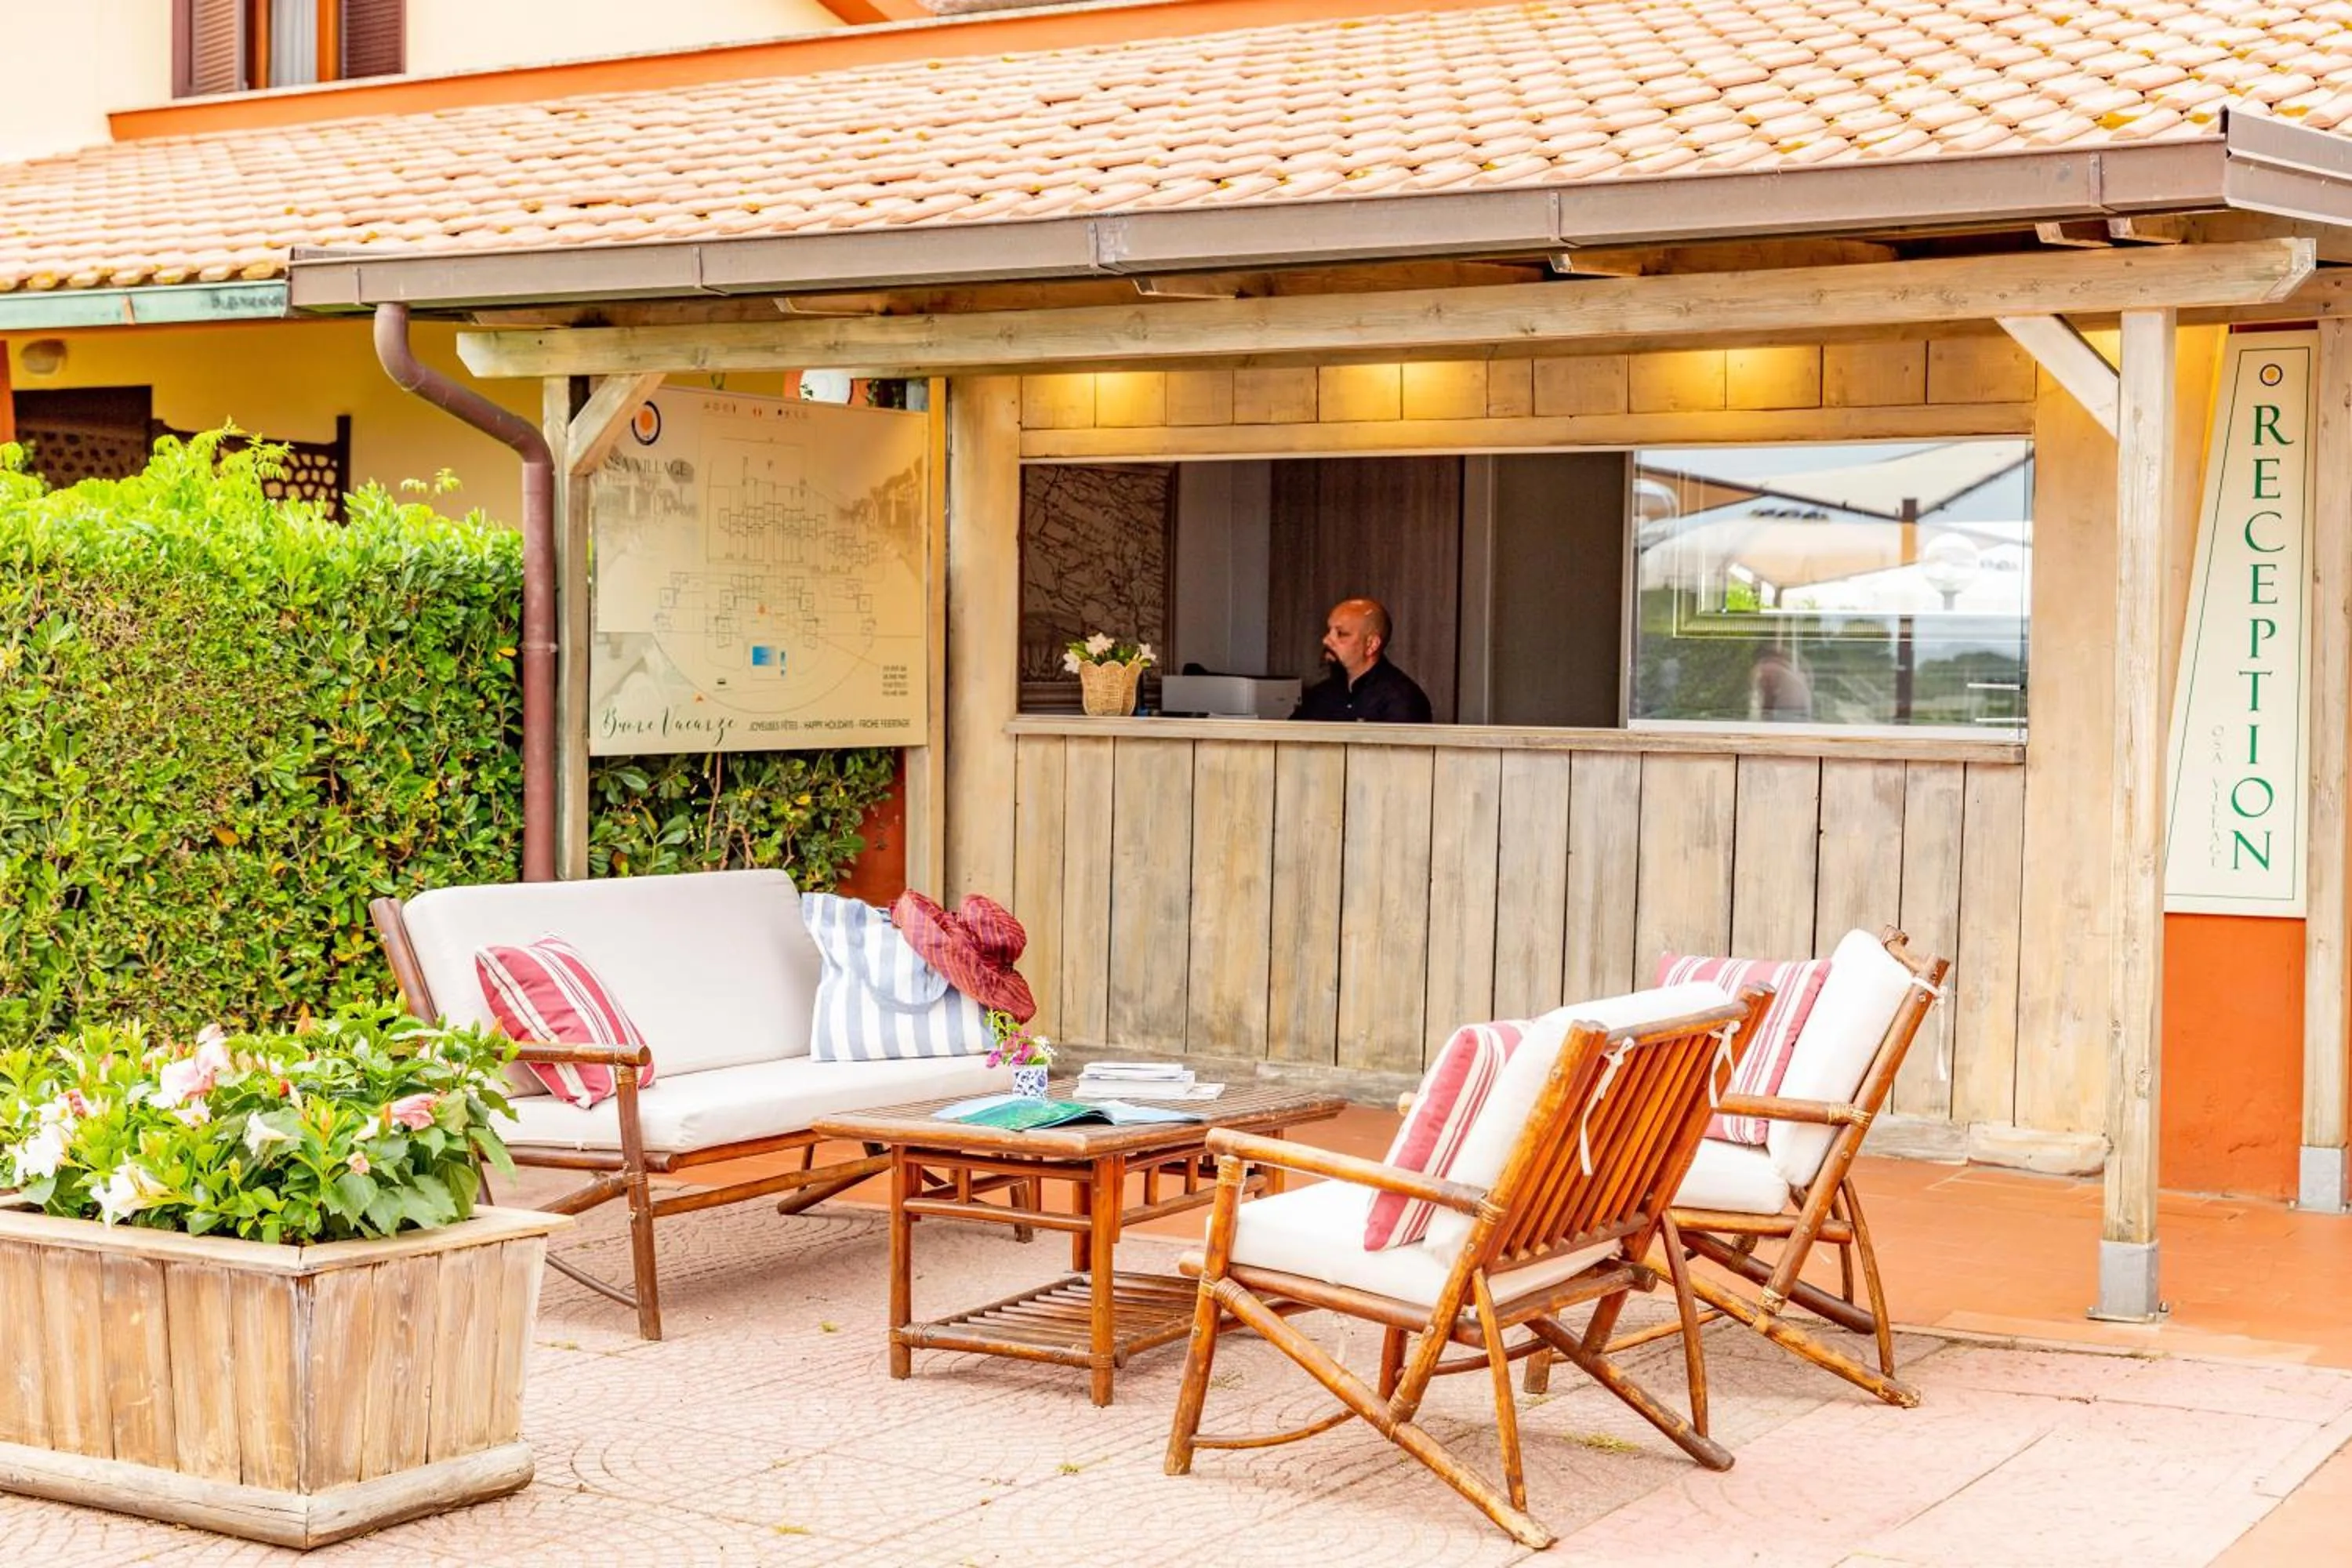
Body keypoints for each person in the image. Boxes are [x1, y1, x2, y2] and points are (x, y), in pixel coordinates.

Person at [1292, 597, 1432, 723]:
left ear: (1371, 645)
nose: (1327, 640)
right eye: (1329, 631)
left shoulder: (1402, 699)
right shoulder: (1319, 695)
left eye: (1341, 634)